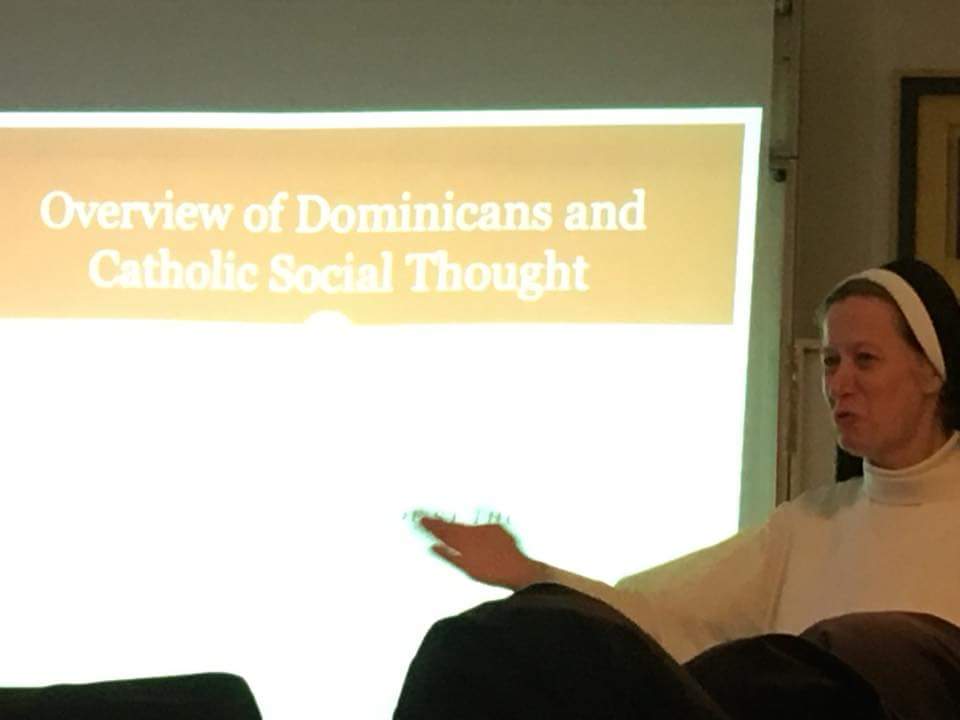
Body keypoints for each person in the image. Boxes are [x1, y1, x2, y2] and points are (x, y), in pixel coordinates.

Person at [395, 258, 960, 719]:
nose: (839, 383)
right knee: (482, 647)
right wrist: (532, 574)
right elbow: (657, 621)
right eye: (831, 361)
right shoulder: (804, 527)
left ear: (932, 373)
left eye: (865, 360)